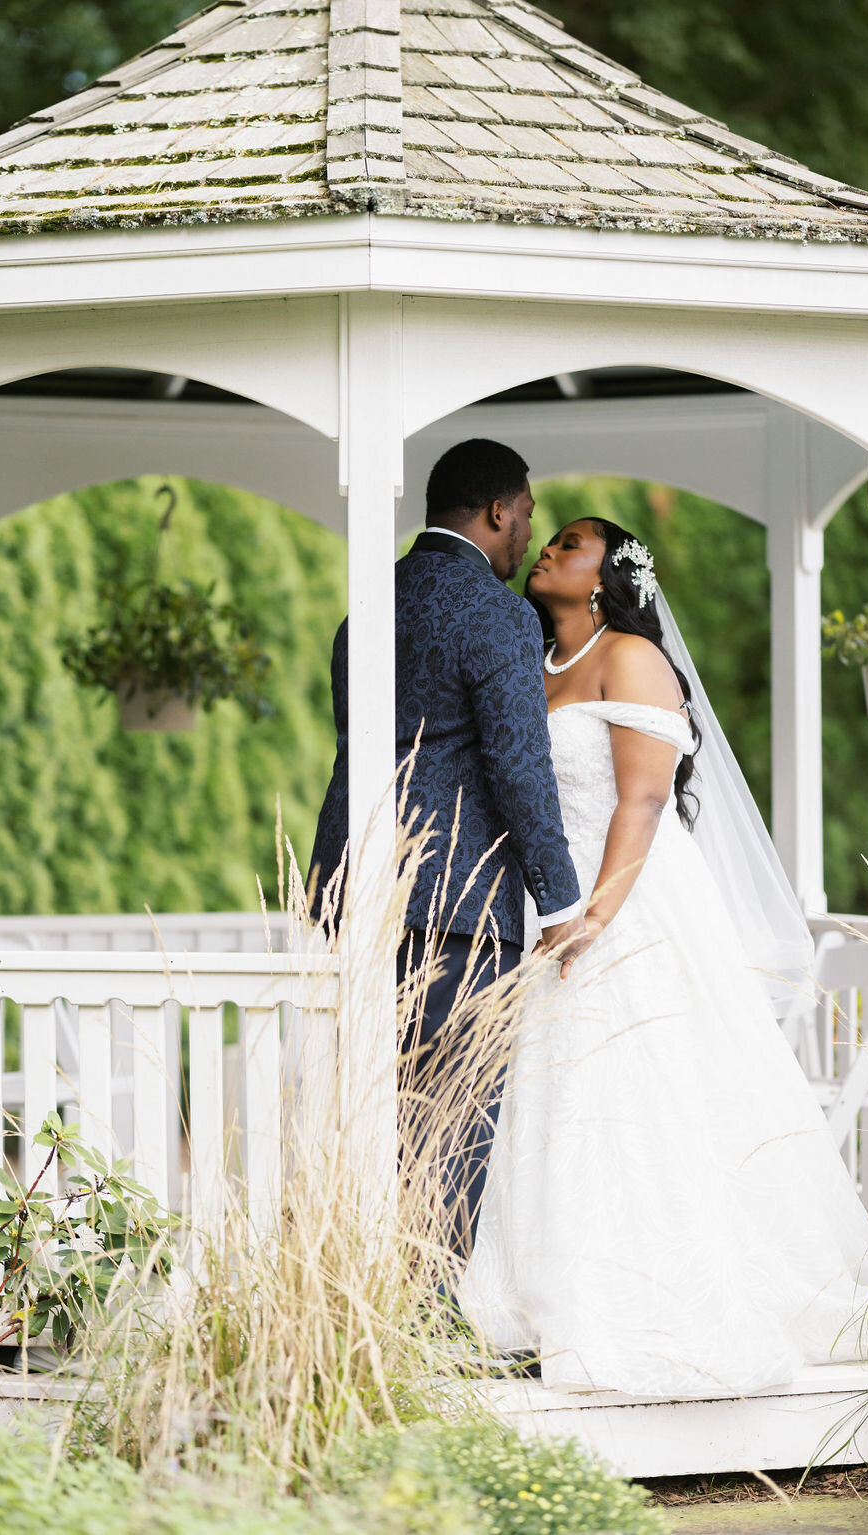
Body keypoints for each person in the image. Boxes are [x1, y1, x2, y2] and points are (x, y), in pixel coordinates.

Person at [458, 517, 868, 1397]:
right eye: (551, 537)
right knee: (549, 1096)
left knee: (634, 1090)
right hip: (553, 901)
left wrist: (593, 915)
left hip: (627, 902)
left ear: (608, 578)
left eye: (570, 544)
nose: (549, 548)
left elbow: (643, 801)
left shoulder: (631, 658)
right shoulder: (536, 661)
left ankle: (647, 1298)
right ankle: (533, 1302)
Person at [308, 439, 590, 1260]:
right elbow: (518, 764)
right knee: (452, 1118)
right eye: (527, 514)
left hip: (354, 888)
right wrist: (562, 900)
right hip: (458, 904)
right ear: (499, 510)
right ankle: (424, 1319)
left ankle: (368, 1296)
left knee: (374, 1107)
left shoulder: (365, 608)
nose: (526, 532)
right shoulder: (496, 614)